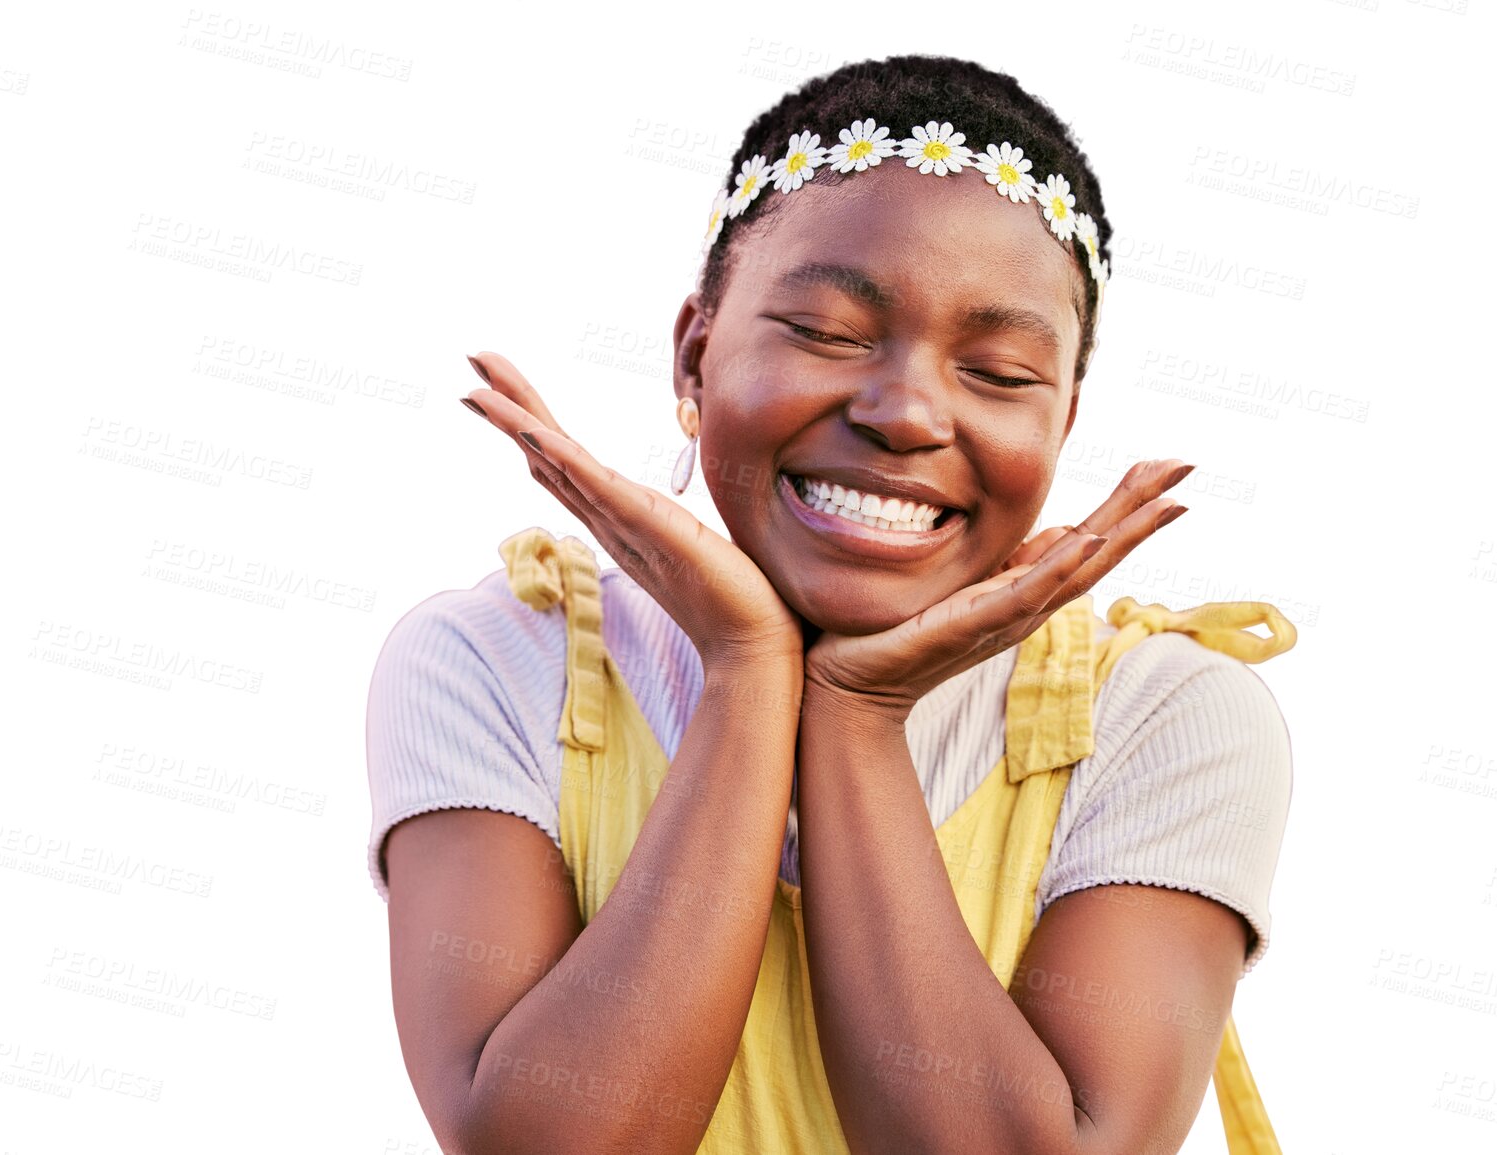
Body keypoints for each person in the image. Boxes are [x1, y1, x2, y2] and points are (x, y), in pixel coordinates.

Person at [367, 54, 1296, 1154]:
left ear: (1062, 421)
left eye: (998, 373)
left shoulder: (1163, 715)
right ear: (696, 353)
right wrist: (749, 673)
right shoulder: (495, 661)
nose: (905, 412)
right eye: (826, 332)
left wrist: (856, 717)